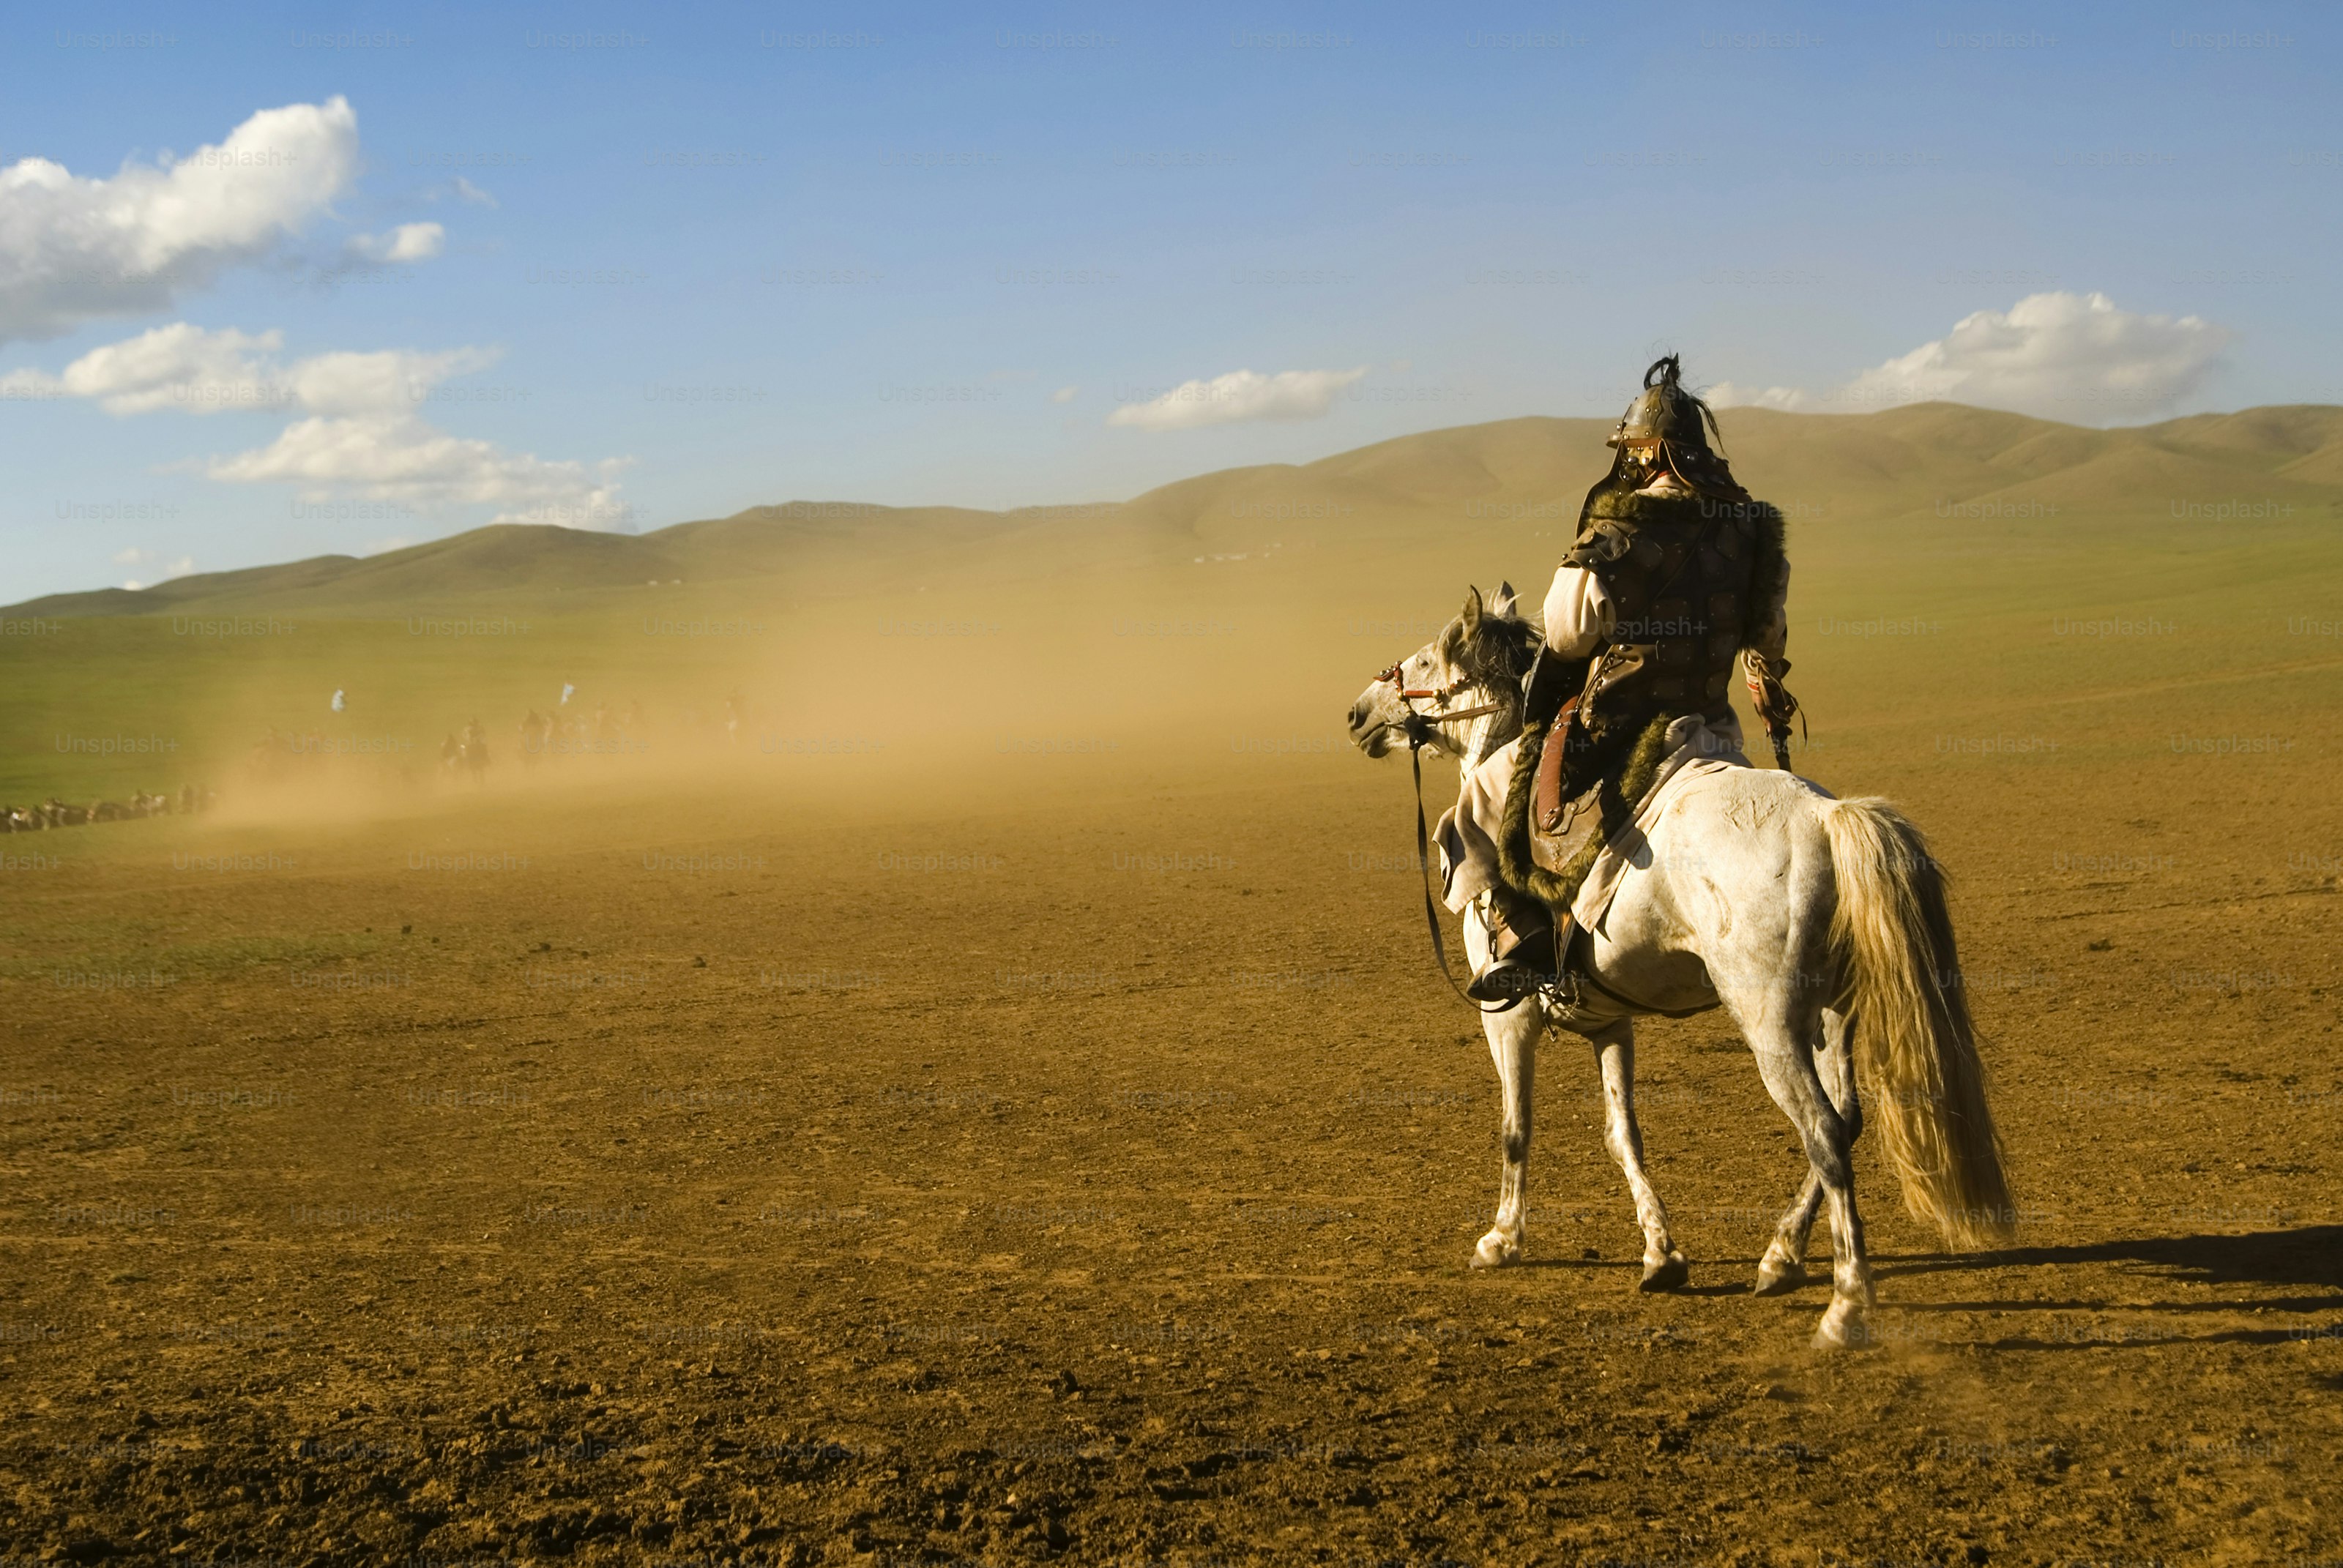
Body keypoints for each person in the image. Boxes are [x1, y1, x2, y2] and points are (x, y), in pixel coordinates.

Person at [1439, 355, 1796, 1003]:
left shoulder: (1615, 531)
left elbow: (1567, 633)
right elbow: (1768, 637)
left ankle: (1528, 937)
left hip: (1620, 729)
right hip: (1712, 727)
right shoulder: (1750, 536)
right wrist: (1766, 678)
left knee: (1493, 784)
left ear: (1646, 453)